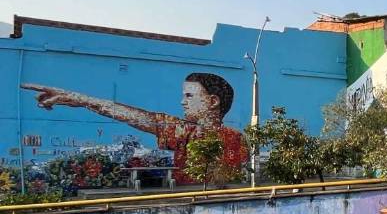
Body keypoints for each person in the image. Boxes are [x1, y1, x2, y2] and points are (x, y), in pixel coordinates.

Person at [21, 73, 246, 184]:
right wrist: (79, 100)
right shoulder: (189, 131)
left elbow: (135, 117)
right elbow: (131, 115)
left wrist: (79, 99)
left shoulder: (194, 133)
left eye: (189, 96)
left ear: (213, 101)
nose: (182, 102)